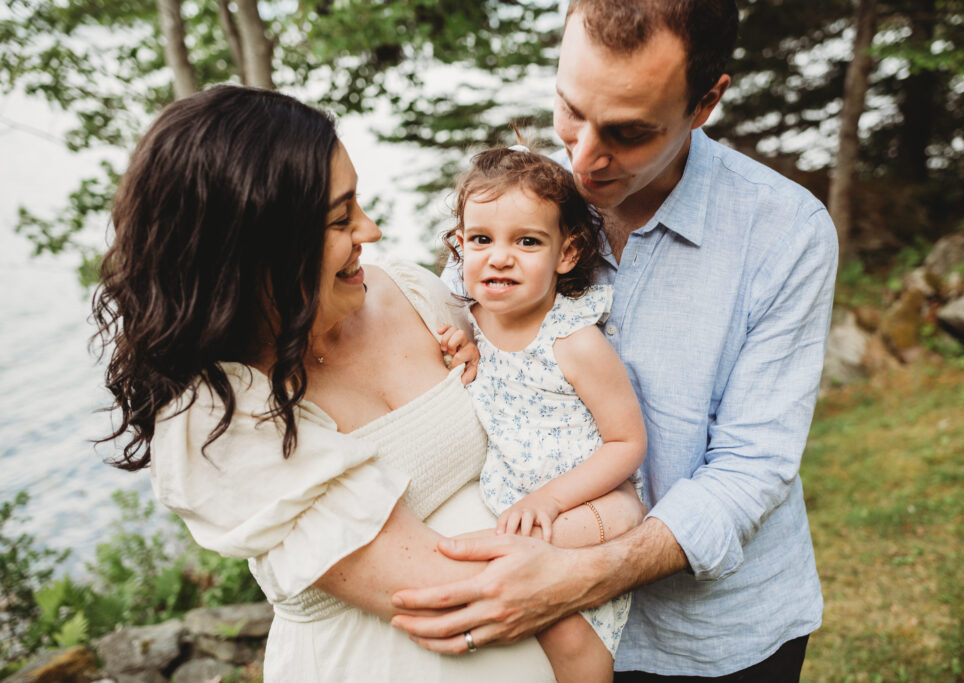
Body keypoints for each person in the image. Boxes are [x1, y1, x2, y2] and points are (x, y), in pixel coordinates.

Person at [92, 85, 645, 682]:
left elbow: (530, 383)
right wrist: (615, 529)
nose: (372, 230)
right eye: (340, 217)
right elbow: (452, 596)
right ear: (256, 248)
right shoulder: (216, 416)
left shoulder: (409, 291)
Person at [393, 1, 839, 680]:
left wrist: (577, 576)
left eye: (628, 132)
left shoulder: (788, 233)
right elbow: (459, 321)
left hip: (716, 635)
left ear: (706, 102)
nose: (582, 158)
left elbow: (752, 466)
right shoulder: (520, 202)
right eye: (570, 110)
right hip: (538, 633)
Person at [440, 145, 647, 682]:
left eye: (526, 241)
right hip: (516, 509)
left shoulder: (573, 342)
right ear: (460, 245)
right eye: (481, 239)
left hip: (592, 506)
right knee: (529, 625)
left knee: (561, 628)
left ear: (567, 253)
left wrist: (550, 501)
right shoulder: (467, 325)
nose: (499, 256)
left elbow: (626, 443)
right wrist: (462, 355)